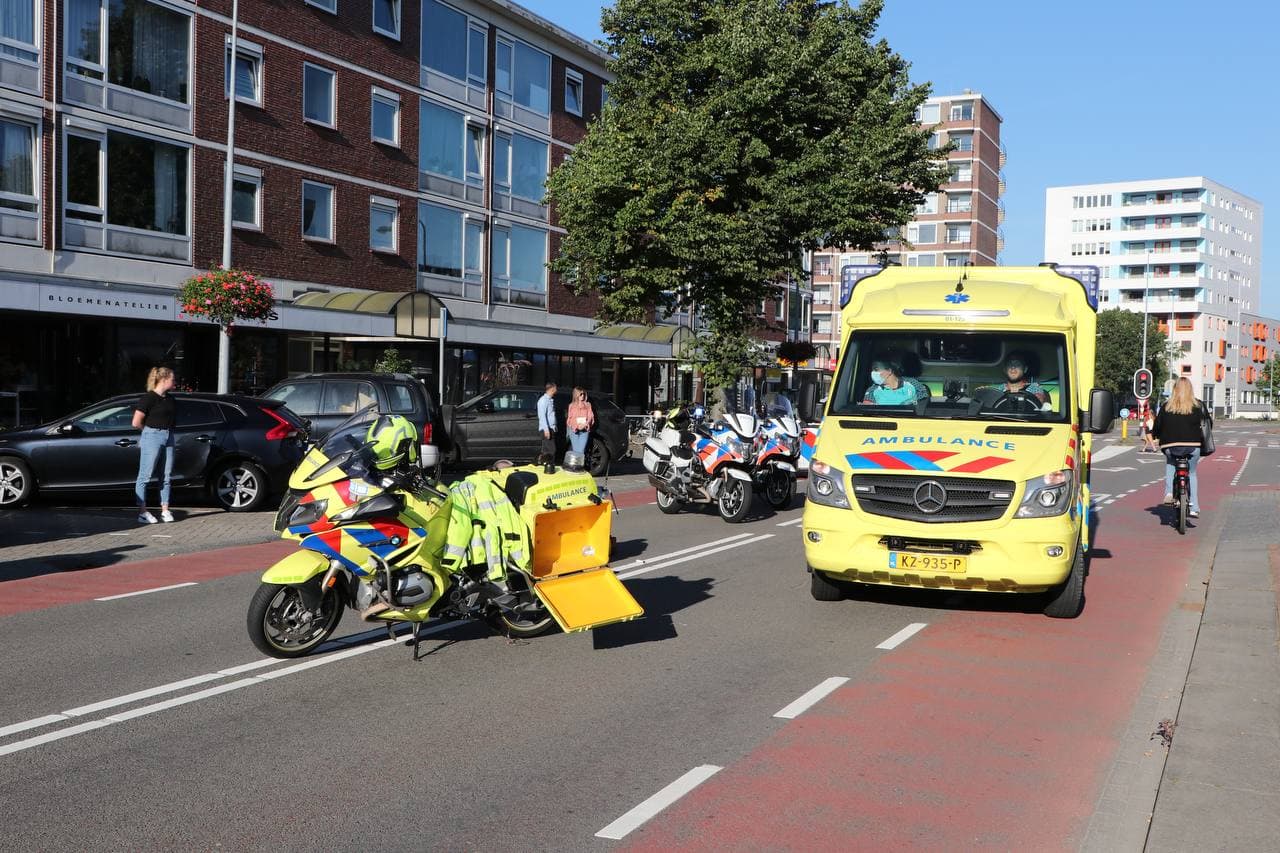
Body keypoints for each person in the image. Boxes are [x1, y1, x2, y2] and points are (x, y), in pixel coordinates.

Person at [1151, 376, 1207, 518]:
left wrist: (1155, 435)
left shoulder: (1166, 406)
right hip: (1193, 446)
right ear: (1190, 389)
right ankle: (1194, 506)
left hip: (1171, 446)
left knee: (1171, 464)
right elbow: (1208, 424)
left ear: (1174, 389)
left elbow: (1157, 425)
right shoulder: (1198, 406)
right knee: (1192, 473)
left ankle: (1169, 492)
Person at [132, 366, 177, 524]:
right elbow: (136, 422)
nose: (175, 382)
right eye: (173, 379)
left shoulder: (171, 399)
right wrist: (149, 432)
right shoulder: (149, 398)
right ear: (164, 380)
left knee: (166, 475)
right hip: (152, 435)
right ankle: (142, 511)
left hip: (168, 436)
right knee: (145, 475)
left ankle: (165, 509)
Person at [566, 386, 595, 457]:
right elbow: (570, 419)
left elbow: (590, 416)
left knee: (581, 451)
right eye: (581, 394)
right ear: (576, 395)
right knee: (576, 450)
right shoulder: (571, 406)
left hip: (584, 430)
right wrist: (577, 426)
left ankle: (579, 467)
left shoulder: (588, 405)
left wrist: (585, 424)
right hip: (574, 430)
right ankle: (576, 466)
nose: (582, 396)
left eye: (583, 394)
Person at [536, 382, 557, 462]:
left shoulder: (550, 400)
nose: (556, 391)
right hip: (547, 429)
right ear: (551, 389)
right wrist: (546, 430)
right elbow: (542, 416)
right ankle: (549, 465)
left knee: (546, 450)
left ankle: (543, 464)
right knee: (551, 450)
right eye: (555, 389)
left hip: (551, 428)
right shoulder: (543, 400)